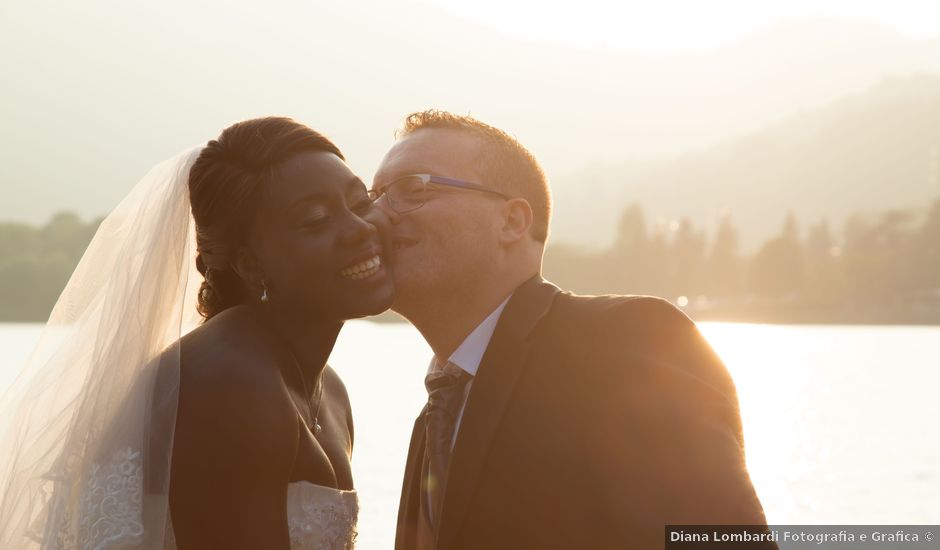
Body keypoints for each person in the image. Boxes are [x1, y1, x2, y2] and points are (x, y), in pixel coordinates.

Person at [371, 110, 773, 550]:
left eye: (411, 189)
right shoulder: (434, 418)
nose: (375, 217)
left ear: (512, 221)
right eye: (372, 197)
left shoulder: (628, 341)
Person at [0, 117, 393, 549]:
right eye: (316, 219)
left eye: (362, 201)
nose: (360, 228)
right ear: (249, 264)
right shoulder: (231, 383)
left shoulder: (328, 390)